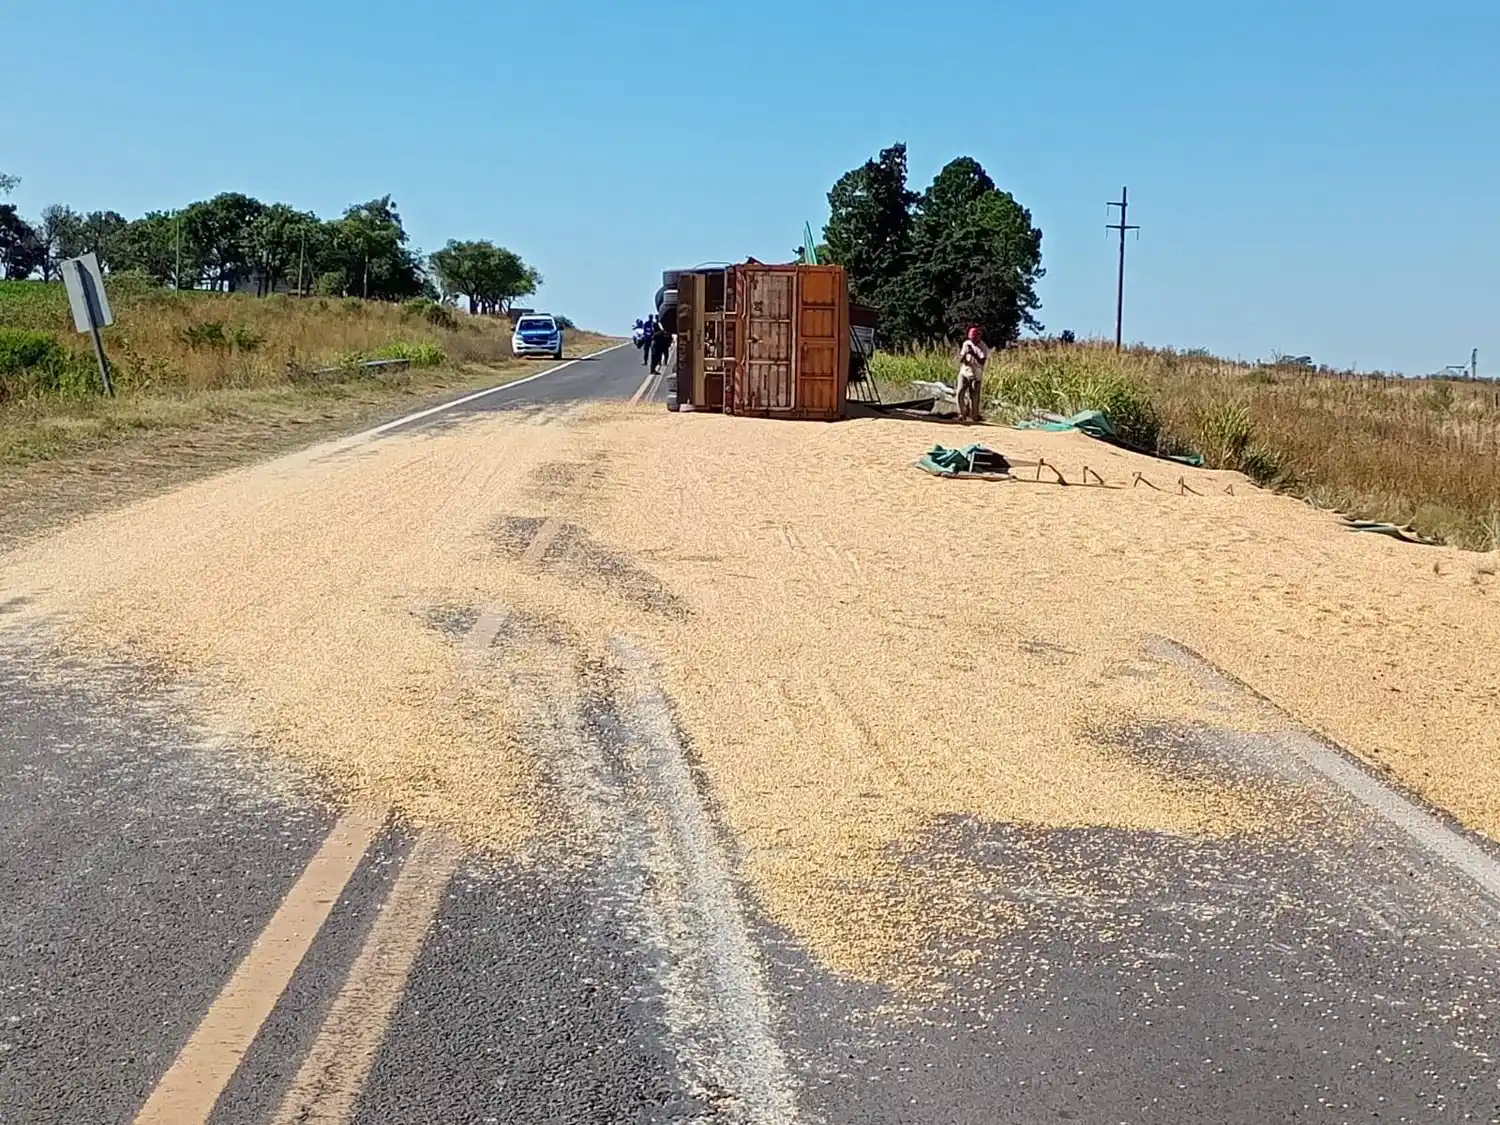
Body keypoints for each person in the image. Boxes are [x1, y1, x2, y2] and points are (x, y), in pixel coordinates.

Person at [956, 326, 988, 423]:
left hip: (976, 375)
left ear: (978, 337)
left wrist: (973, 353)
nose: (972, 340)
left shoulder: (983, 347)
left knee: (974, 397)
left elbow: (982, 362)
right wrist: (965, 354)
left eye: (974, 338)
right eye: (971, 338)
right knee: (959, 393)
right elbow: (960, 359)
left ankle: (974, 416)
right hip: (964, 372)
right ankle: (962, 413)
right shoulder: (966, 344)